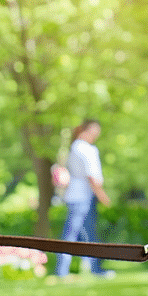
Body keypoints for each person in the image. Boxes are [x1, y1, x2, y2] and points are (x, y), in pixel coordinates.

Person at [54, 119, 112, 278]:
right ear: (84, 131)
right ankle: (62, 271)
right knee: (72, 235)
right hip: (81, 197)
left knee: (88, 235)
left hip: (79, 196)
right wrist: (102, 195)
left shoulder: (75, 147)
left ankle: (95, 268)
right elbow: (92, 176)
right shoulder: (84, 148)